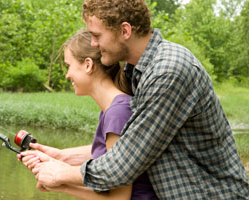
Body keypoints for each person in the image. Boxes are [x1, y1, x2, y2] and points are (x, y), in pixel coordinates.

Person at [23, 0, 249, 199]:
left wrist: (61, 173)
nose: (92, 44)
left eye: (97, 35)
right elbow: (130, 144)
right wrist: (63, 156)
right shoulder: (138, 71)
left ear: (124, 31)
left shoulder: (169, 71)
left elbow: (121, 166)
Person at [18, 30, 159, 199]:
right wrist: (61, 158)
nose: (67, 75)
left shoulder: (117, 113)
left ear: (88, 65)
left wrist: (62, 184)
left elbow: (118, 198)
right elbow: (106, 160)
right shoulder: (113, 109)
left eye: (69, 66)